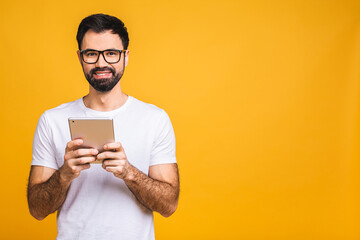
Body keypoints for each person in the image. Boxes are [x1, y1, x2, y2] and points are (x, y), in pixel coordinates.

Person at [27, 13, 179, 240]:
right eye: (91, 54)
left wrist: (129, 172)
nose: (101, 63)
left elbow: (169, 205)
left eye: (111, 53)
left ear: (125, 57)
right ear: (80, 57)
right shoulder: (52, 120)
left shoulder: (154, 119)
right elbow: (37, 210)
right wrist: (64, 174)